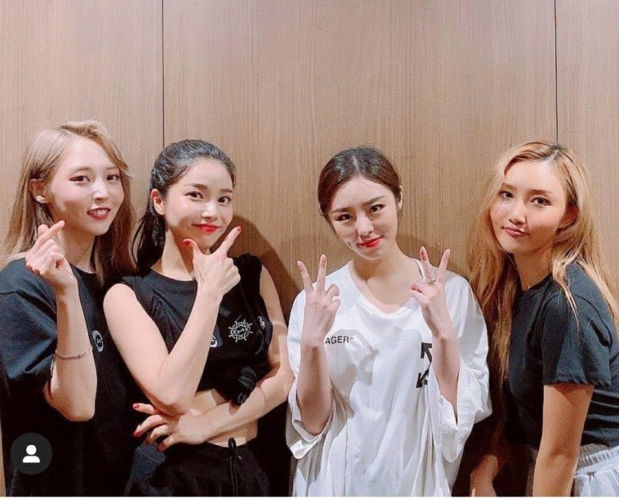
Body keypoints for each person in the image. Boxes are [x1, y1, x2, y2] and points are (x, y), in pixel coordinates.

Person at [286, 146, 491, 495]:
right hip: (337, 482)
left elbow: (461, 414)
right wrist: (312, 343)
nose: (364, 228)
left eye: (375, 208)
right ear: (329, 221)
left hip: (418, 479)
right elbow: (313, 422)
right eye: (345, 217)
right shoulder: (317, 301)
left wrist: (443, 333)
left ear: (398, 199)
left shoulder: (450, 293)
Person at [103, 139, 293, 496]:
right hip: (177, 474)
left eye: (224, 199)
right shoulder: (128, 295)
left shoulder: (251, 274)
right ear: (159, 201)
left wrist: (205, 424)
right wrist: (208, 294)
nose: (212, 212)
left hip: (255, 466)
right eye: (196, 195)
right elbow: (172, 395)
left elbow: (283, 377)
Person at [467, 141, 619, 496]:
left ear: (569, 215)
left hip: (589, 478)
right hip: (557, 471)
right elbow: (527, 418)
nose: (515, 214)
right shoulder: (517, 291)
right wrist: (486, 467)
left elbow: (561, 454)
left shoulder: (567, 304)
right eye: (506, 195)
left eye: (539, 201)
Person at [0, 120, 139, 495]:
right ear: (40, 190)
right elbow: (77, 405)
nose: (103, 193)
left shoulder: (120, 281)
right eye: (81, 179)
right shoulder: (20, 286)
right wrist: (65, 293)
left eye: (112, 178)